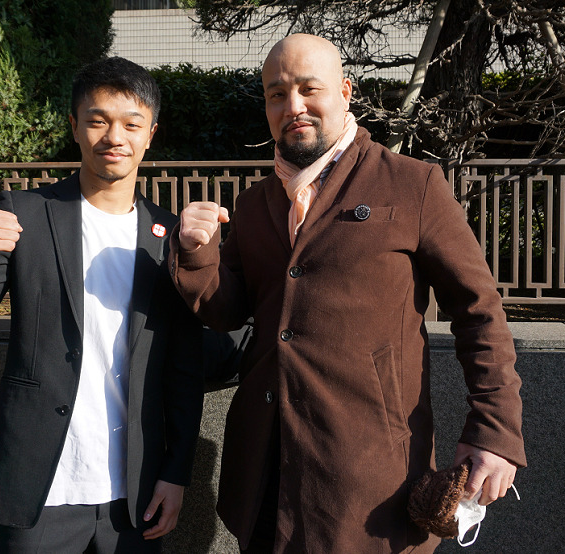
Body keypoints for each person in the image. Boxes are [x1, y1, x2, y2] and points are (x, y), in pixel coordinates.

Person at [169, 34, 526, 552]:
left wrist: (494, 430)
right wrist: (197, 255)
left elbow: (480, 312)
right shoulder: (255, 204)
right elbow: (228, 310)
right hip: (263, 478)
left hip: (370, 483)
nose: (293, 106)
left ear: (345, 91)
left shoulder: (413, 185)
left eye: (308, 88)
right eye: (276, 94)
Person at [0, 56, 204, 553]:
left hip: (133, 494)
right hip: (40, 489)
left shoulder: (167, 238)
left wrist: (176, 472)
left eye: (131, 124)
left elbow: (182, 370)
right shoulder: (25, 214)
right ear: (75, 126)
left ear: (150, 135)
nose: (114, 137)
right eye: (98, 121)